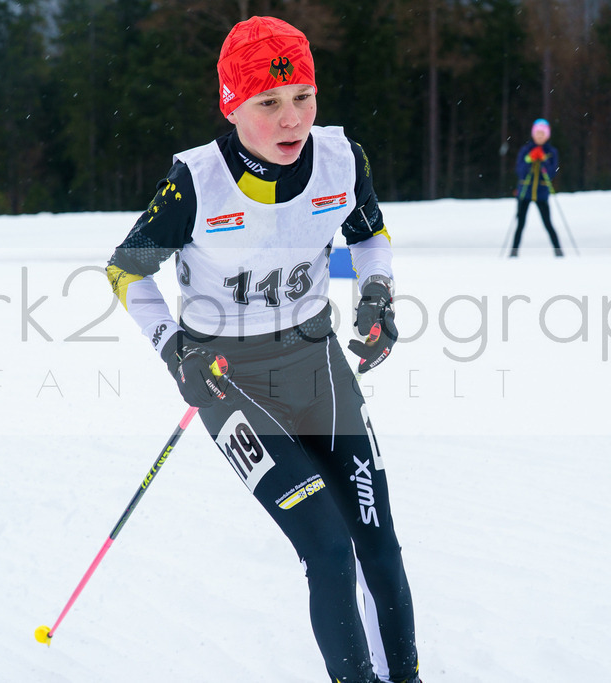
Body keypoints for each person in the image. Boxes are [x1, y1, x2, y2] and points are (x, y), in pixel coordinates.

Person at [104, 16, 421, 683]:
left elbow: (370, 235)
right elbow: (126, 271)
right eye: (268, 103)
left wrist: (378, 298)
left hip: (318, 366)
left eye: (303, 96)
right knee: (330, 549)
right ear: (231, 104)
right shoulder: (196, 182)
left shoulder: (342, 159)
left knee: (378, 543)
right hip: (231, 382)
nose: (291, 119)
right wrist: (175, 349)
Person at [510, 118, 563, 257]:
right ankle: (513, 252)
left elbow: (552, 173)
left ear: (547, 135)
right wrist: (529, 159)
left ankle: (558, 252)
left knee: (548, 224)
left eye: (542, 134)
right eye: (537, 134)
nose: (540, 137)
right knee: (520, 224)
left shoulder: (552, 152)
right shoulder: (525, 150)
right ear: (533, 134)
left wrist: (544, 160)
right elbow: (519, 171)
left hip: (542, 193)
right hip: (524, 193)